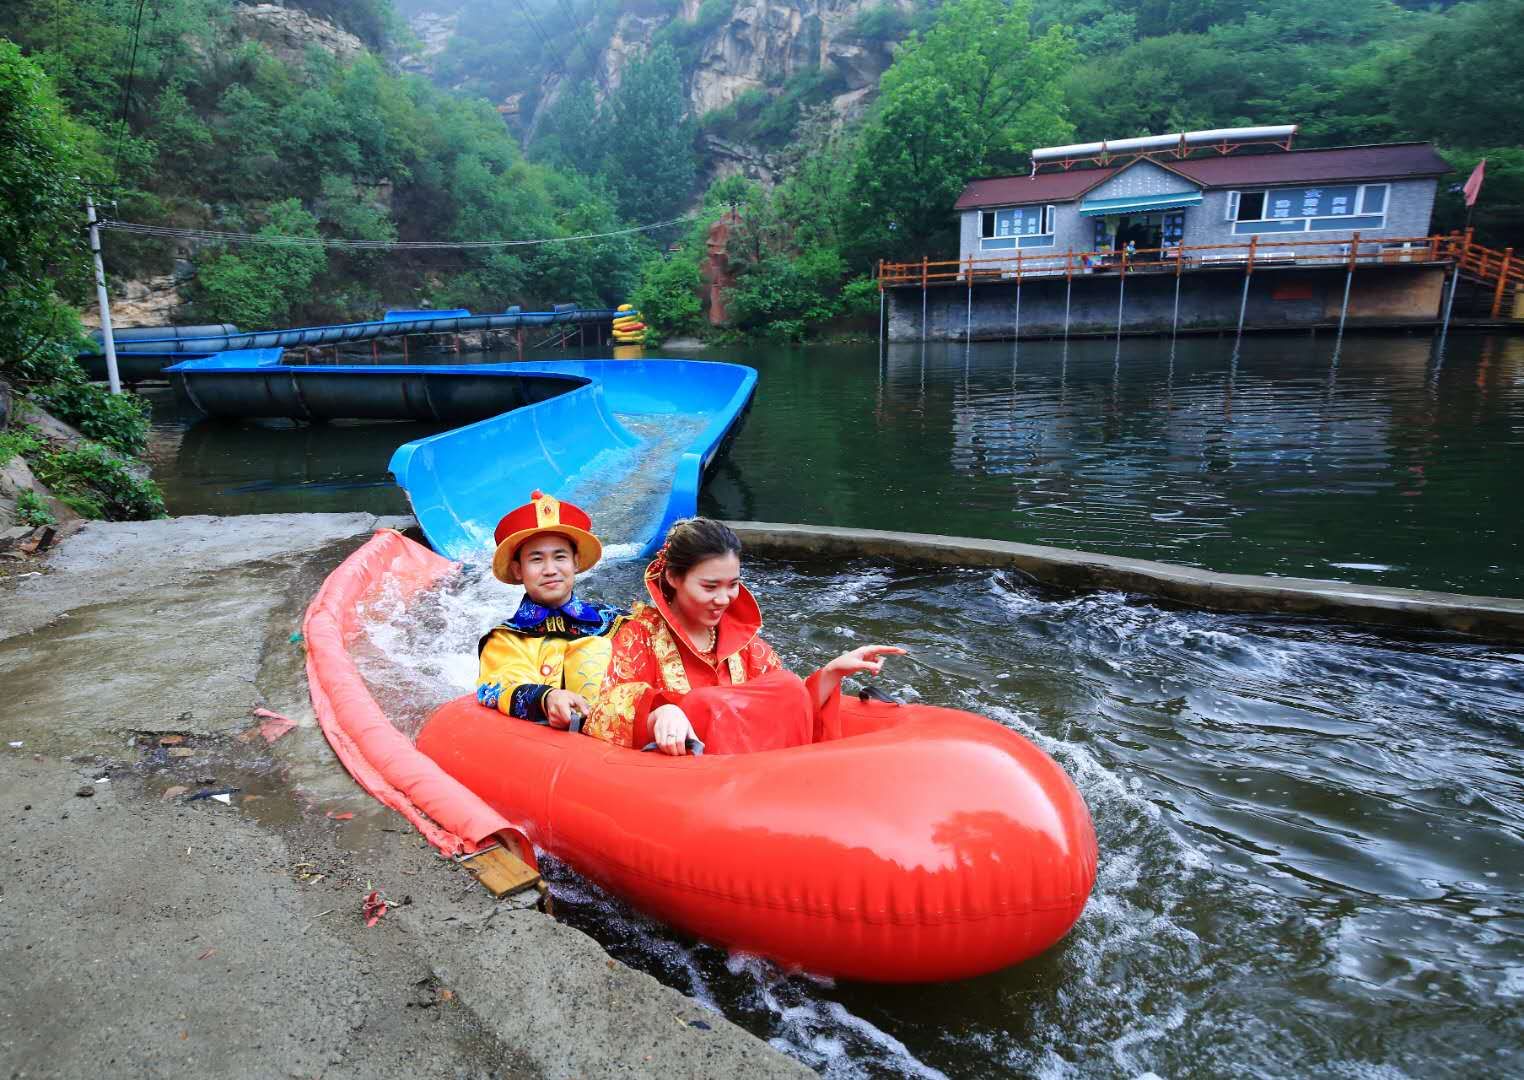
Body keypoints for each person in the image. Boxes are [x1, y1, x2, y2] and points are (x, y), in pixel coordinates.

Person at [583, 518, 904, 755]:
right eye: (710, 586)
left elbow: (786, 708)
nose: (724, 599)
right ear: (673, 577)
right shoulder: (640, 637)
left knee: (788, 685)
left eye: (732, 584)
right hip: (685, 784)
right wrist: (659, 713)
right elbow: (604, 712)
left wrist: (832, 673)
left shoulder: (744, 643)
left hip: (754, 777)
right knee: (703, 704)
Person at [476, 490, 625, 729]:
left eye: (560, 557)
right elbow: (503, 683)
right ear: (517, 570)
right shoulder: (506, 639)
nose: (550, 569)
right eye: (536, 559)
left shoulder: (616, 622)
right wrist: (548, 697)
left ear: (575, 563)